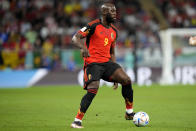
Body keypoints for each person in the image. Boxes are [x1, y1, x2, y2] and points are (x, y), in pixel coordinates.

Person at [71, 3, 135, 128]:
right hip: (93, 63)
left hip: (107, 63)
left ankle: (129, 113)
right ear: (104, 13)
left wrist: (117, 74)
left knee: (126, 80)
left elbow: (112, 52)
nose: (115, 13)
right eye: (112, 11)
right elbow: (75, 38)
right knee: (93, 88)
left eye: (115, 11)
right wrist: (83, 47)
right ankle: (77, 120)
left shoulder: (114, 32)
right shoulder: (93, 25)